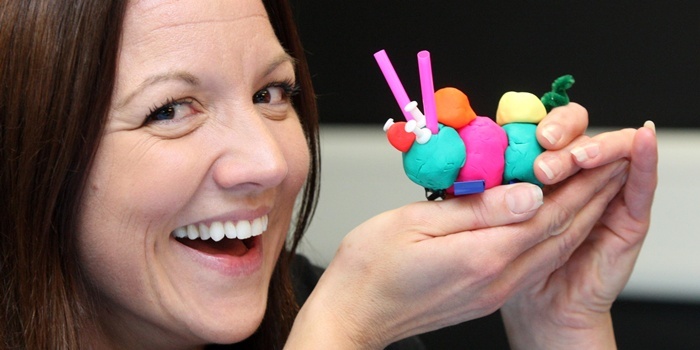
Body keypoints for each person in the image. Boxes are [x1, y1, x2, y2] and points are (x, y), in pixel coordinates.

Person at [0, 0, 657, 349]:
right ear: (24, 145)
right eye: (171, 109)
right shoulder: (344, 319)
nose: (270, 161)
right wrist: (339, 335)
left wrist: (557, 323)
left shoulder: (319, 306)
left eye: (271, 94)